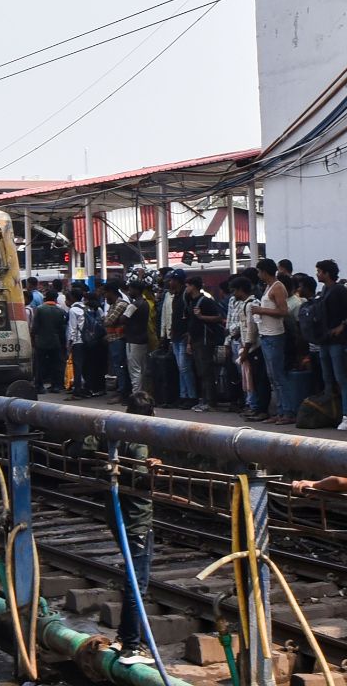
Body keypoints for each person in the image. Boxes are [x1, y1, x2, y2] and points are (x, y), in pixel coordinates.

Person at [92, 393, 161, 666]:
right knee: (137, 585)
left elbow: (80, 446)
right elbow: (143, 481)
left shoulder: (113, 434)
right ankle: (133, 646)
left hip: (117, 515)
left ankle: (123, 636)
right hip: (137, 520)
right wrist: (153, 470)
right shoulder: (140, 442)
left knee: (132, 581)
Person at [315, 259, 347, 431]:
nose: (318, 274)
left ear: (327, 273)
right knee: (328, 378)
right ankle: (331, 411)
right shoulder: (325, 290)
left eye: (319, 271)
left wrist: (343, 324)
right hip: (325, 340)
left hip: (337, 341)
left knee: (341, 377)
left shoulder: (339, 289)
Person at [251, 261, 294, 424]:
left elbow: (284, 311)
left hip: (275, 335)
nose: (258, 275)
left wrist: (261, 310)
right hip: (266, 334)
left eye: (259, 272)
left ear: (264, 272)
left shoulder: (277, 287)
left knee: (278, 376)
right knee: (272, 376)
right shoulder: (268, 287)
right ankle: (281, 410)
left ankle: (288, 412)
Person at [184, 275, 224, 413]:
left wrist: (202, 317)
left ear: (194, 286)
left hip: (205, 340)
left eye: (188, 285)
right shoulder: (191, 302)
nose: (186, 288)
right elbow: (190, 324)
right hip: (195, 339)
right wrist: (189, 342)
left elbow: (219, 317)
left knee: (207, 371)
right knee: (201, 371)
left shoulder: (206, 301)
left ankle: (211, 401)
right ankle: (205, 400)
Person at [161, 270, 196, 408]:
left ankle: (191, 396)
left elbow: (191, 316)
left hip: (183, 336)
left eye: (172, 280)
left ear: (179, 281)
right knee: (181, 368)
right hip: (175, 336)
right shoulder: (174, 296)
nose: (170, 283)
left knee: (185, 368)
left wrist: (189, 336)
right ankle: (183, 395)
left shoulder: (185, 296)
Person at [226, 276, 260, 418]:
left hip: (249, 346)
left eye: (235, 290)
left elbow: (250, 330)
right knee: (245, 376)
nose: (233, 294)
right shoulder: (241, 303)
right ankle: (250, 403)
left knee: (251, 377)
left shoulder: (252, 304)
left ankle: (254, 405)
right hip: (241, 344)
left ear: (241, 290)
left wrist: (245, 349)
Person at [31, 290, 68, 393]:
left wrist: (33, 339)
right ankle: (56, 385)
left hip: (41, 341)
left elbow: (35, 327)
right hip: (55, 341)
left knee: (40, 364)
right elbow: (62, 329)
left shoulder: (40, 309)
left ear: (45, 298)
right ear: (56, 299)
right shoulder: (60, 311)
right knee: (55, 364)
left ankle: (39, 386)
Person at [103, 280, 132, 405]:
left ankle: (123, 392)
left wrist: (105, 320)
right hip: (113, 339)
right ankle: (121, 391)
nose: (104, 296)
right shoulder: (113, 305)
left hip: (118, 339)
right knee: (117, 366)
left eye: (106, 293)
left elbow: (108, 321)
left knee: (120, 366)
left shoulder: (121, 304)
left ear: (111, 292)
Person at [122, 281, 151, 394]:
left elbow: (123, 319)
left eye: (131, 289)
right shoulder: (145, 303)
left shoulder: (134, 305)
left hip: (133, 340)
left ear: (136, 290)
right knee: (142, 369)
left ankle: (136, 394)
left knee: (134, 370)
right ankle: (143, 393)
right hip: (143, 339)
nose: (129, 292)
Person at [65, 287, 90, 398]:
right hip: (88, 340)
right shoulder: (86, 308)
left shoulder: (73, 310)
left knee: (77, 366)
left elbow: (72, 328)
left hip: (78, 341)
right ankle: (86, 388)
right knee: (85, 366)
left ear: (72, 297)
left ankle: (77, 390)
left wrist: (70, 343)